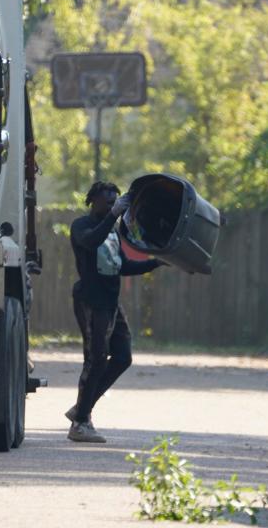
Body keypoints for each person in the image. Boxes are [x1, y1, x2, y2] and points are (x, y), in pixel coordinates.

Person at [66, 181, 165, 443]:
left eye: (115, 201)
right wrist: (112, 216)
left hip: (111, 303)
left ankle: (82, 407)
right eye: (107, 200)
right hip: (91, 301)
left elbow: (123, 265)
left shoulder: (112, 232)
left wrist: (156, 263)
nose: (112, 204)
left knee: (123, 356)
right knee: (95, 359)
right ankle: (80, 423)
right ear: (92, 201)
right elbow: (89, 242)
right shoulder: (82, 226)